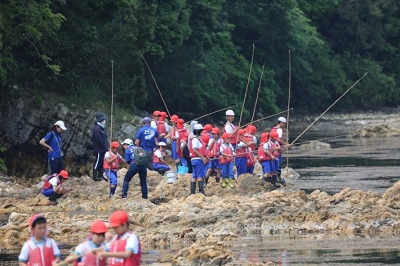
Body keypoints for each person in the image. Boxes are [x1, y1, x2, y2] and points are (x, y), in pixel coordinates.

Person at [189, 124, 208, 195]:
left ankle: (192, 193)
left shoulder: (197, 139)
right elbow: (194, 150)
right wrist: (202, 157)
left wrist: (206, 157)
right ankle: (201, 192)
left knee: (195, 175)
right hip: (197, 160)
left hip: (195, 160)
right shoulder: (195, 140)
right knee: (200, 176)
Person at [92, 112, 109, 182]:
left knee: (102, 162)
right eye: (103, 120)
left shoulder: (101, 128)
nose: (105, 121)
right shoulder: (97, 128)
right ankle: (95, 176)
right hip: (99, 149)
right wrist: (105, 146)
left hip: (103, 149)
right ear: (100, 120)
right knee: (98, 162)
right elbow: (99, 139)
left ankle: (100, 174)